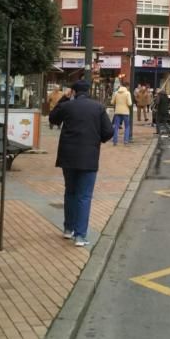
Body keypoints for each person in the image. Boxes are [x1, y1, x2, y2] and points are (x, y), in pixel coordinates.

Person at [48, 80, 114, 247]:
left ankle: (68, 229)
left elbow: (53, 119)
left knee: (70, 192)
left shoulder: (68, 106)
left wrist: (64, 98)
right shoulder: (98, 107)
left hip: (68, 157)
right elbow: (108, 132)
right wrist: (96, 140)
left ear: (74, 92)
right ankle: (80, 236)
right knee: (84, 196)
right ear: (89, 90)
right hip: (89, 157)